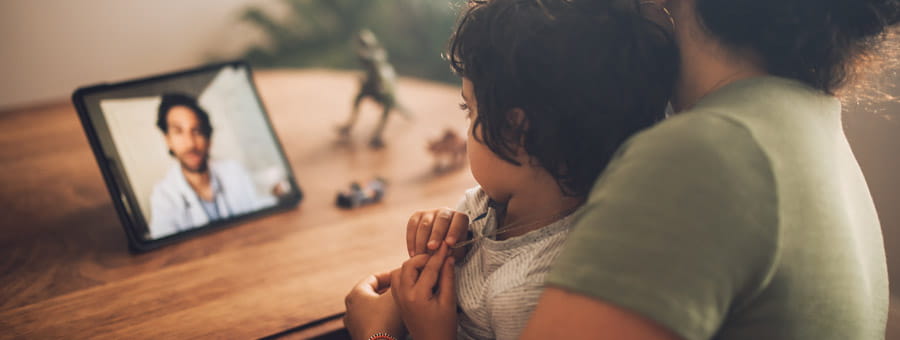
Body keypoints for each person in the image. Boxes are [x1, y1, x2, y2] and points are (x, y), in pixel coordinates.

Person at [343, 0, 678, 339]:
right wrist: (440, 225)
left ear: (514, 130)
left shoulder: (530, 295)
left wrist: (376, 334)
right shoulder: (491, 205)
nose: (466, 120)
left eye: (469, 109)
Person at [148, 93, 273, 239]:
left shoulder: (234, 171)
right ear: (168, 140)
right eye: (178, 132)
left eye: (197, 131)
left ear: (208, 139)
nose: (190, 144)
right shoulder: (163, 196)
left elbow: (265, 209)